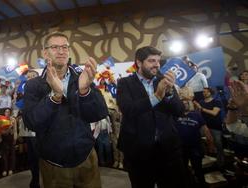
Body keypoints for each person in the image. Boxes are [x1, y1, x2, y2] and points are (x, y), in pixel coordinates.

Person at [22, 31, 108, 188]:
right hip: (53, 163)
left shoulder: (81, 77)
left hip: (86, 157)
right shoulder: (34, 85)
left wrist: (85, 91)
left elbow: (100, 112)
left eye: (64, 47)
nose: (61, 51)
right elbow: (32, 122)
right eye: (55, 47)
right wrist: (55, 97)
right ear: (45, 52)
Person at [116, 46, 188, 188]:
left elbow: (179, 110)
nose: (156, 65)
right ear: (139, 62)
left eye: (158, 61)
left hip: (168, 150)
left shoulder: (164, 80)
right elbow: (128, 109)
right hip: (138, 152)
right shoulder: (125, 83)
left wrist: (169, 93)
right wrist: (156, 96)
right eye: (151, 61)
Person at [175, 100, 213, 188]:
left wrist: (211, 144)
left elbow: (206, 130)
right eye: (183, 104)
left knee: (198, 170)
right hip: (181, 148)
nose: (185, 105)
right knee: (182, 171)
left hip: (195, 147)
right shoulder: (176, 115)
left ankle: (201, 185)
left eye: (186, 103)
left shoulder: (196, 115)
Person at [193, 87, 224, 168]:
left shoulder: (216, 101)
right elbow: (198, 113)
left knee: (218, 143)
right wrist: (196, 108)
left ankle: (220, 162)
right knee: (197, 141)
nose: (204, 93)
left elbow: (214, 113)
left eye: (206, 92)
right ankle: (203, 160)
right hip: (203, 126)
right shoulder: (201, 102)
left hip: (215, 126)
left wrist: (201, 108)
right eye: (203, 92)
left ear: (211, 93)